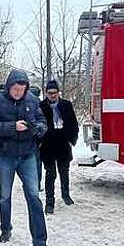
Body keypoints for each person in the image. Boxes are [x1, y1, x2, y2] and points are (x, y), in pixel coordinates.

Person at [0, 69, 54, 246]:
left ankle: (40, 243)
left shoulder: (31, 99)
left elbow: (42, 121)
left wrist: (38, 128)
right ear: (9, 86)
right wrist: (12, 126)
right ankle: (6, 228)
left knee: (34, 197)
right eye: (15, 88)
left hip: (28, 155)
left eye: (22, 89)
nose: (18, 92)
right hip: (5, 155)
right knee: (5, 196)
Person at [39, 80, 79, 214]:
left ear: (58, 93)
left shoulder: (66, 105)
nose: (53, 95)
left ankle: (66, 195)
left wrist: (71, 140)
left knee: (64, 172)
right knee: (50, 174)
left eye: (55, 93)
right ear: (46, 93)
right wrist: (40, 142)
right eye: (50, 93)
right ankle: (49, 202)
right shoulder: (41, 107)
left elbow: (74, 124)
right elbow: (37, 126)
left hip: (63, 144)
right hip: (48, 146)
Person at [28, 85, 43, 190]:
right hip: (39, 139)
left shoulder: (25, 103)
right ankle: (37, 184)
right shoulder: (42, 104)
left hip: (27, 139)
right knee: (38, 163)